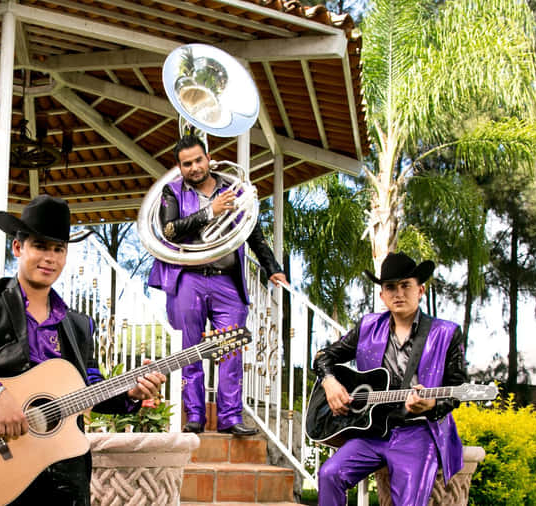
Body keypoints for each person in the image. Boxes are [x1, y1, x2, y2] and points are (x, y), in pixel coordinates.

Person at [0, 195, 166, 506]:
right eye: (41, 246)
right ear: (18, 248)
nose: (50, 258)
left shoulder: (79, 325)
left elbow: (91, 391)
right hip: (0, 464)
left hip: (65, 474)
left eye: (58, 249)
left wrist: (130, 395)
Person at [147, 134, 288, 436]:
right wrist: (211, 212)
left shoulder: (233, 190)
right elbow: (170, 230)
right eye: (187, 164)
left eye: (199, 160)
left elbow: (254, 234)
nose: (195, 168)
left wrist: (272, 268)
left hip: (227, 281)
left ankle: (230, 417)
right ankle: (195, 415)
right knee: (190, 350)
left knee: (231, 350)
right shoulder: (170, 192)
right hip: (188, 278)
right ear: (179, 167)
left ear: (209, 157)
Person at [312, 252, 466, 506]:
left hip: (418, 432)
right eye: (390, 287)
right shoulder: (368, 326)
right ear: (382, 295)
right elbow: (323, 357)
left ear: (421, 290)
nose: (398, 293)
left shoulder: (446, 333)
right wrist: (329, 381)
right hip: (372, 431)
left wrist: (432, 405)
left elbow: (457, 387)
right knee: (329, 474)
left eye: (406, 285)